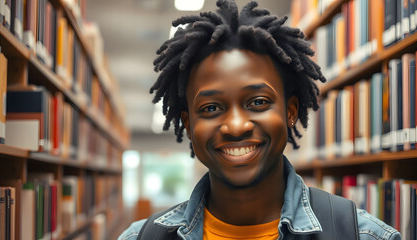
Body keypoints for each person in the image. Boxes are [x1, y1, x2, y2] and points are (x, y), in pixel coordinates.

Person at [119, 0, 401, 239]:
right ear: (189, 126)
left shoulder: (360, 234)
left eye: (258, 102)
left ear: (290, 111)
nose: (236, 126)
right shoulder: (138, 237)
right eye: (211, 108)